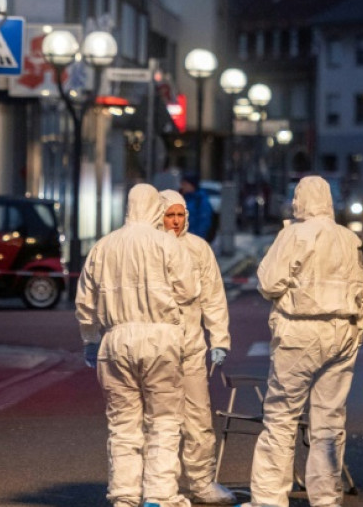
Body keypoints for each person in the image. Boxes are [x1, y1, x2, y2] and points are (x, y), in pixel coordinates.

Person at [240, 175, 363, 507]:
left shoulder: (293, 235)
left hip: (299, 333)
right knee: (329, 422)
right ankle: (326, 498)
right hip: (342, 332)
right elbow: (362, 294)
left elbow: (269, 283)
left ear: (300, 200)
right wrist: (356, 335)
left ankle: (269, 499)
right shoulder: (348, 238)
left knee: (281, 418)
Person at [76, 183, 200, 507]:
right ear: (156, 208)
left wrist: (90, 340)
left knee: (122, 423)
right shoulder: (167, 244)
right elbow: (188, 291)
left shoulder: (104, 246)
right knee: (164, 420)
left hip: (115, 339)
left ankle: (124, 496)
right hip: (161, 338)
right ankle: (159, 495)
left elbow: (85, 302)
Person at [159, 189, 237, 505]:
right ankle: (159, 485)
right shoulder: (147, 248)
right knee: (158, 420)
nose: (176, 221)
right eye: (170, 215)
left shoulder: (198, 248)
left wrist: (219, 340)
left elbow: (213, 297)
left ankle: (201, 482)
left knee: (198, 417)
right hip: (157, 347)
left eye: (180, 215)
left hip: (190, 345)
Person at [179, 172, 214, 241]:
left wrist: (196, 238)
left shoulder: (200, 199)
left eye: (185, 184)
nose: (183, 187)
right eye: (182, 184)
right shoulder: (182, 197)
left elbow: (204, 221)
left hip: (194, 239)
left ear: (192, 185)